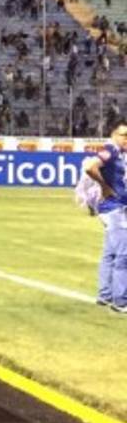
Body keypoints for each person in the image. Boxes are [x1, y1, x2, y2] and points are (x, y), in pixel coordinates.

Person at [84, 122, 127, 312]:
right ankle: (120, 301)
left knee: (109, 253)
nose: (126, 139)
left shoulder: (119, 155)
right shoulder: (110, 152)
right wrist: (104, 187)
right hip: (114, 209)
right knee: (123, 254)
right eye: (122, 135)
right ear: (113, 135)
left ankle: (105, 295)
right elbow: (91, 167)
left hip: (114, 208)